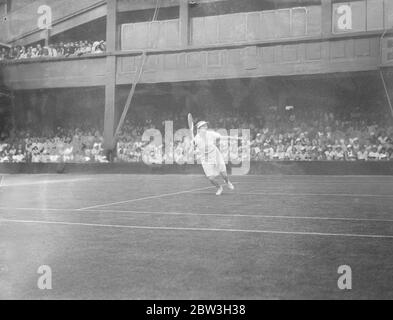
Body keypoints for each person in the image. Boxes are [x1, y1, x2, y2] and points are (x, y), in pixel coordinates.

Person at [193, 121, 238, 196]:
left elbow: (222, 137)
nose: (206, 127)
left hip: (215, 154)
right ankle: (219, 188)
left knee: (224, 174)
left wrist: (232, 137)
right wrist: (195, 151)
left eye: (206, 126)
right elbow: (196, 149)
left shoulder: (211, 134)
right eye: (203, 126)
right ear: (199, 129)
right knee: (211, 178)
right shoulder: (195, 139)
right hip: (205, 158)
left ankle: (227, 182)